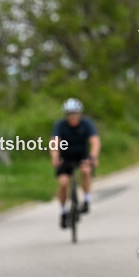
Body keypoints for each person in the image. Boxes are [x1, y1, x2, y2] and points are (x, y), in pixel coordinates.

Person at [51, 98, 100, 228]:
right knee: (63, 183)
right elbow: (54, 142)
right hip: (65, 157)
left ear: (80, 114)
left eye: (75, 114)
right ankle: (63, 212)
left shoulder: (86, 124)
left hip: (82, 156)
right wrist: (55, 157)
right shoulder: (60, 125)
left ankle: (86, 200)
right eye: (70, 114)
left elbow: (94, 141)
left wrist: (93, 157)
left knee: (85, 170)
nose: (73, 117)